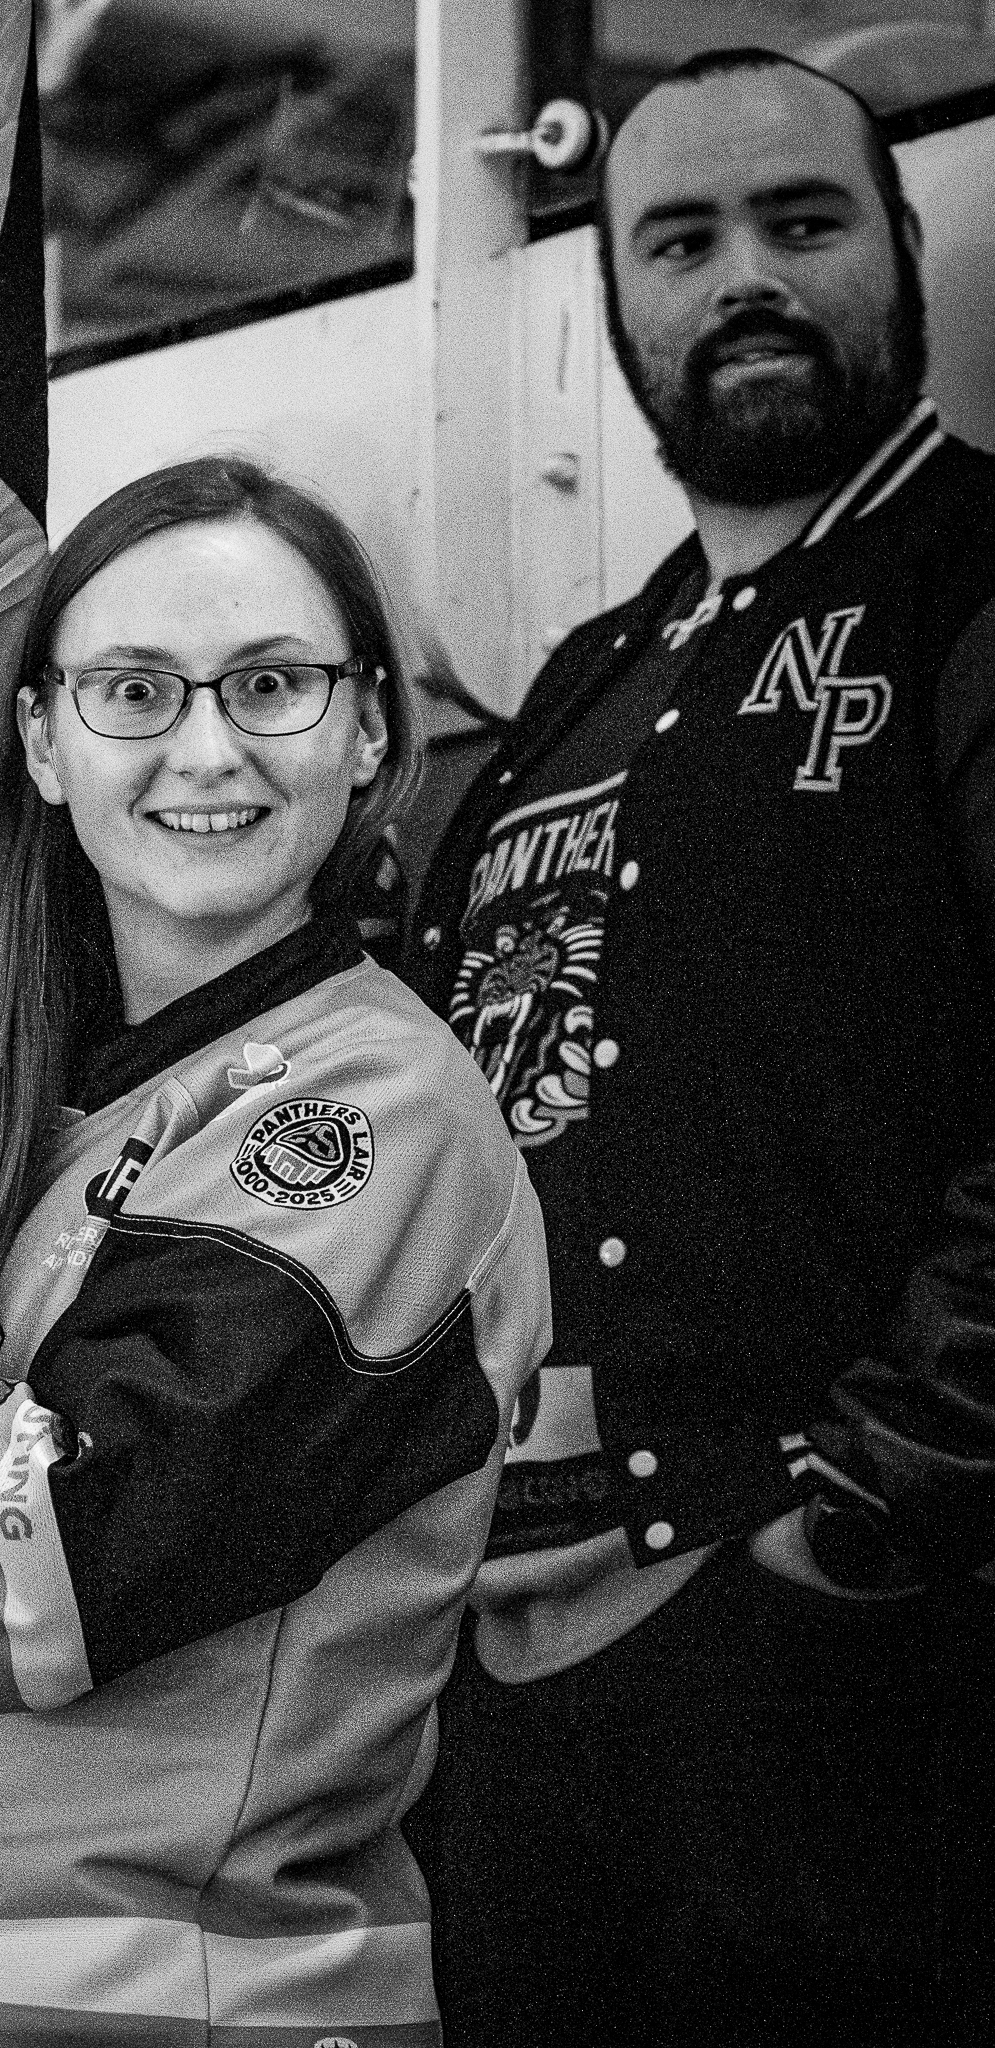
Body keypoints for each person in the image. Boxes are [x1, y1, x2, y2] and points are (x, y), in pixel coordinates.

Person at [0, 456, 552, 2042]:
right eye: (135, 691)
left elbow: (48, 1572)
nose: (206, 749)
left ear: (368, 729)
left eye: (271, 684)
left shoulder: (371, 1106)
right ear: (42, 743)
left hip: (184, 2002)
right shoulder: (26, 1094)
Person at [404, 49, 995, 2048]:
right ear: (615, 301)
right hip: (507, 1678)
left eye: (801, 223)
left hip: (835, 1665)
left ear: (898, 248)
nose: (746, 276)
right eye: (682, 240)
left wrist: (872, 1510)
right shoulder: (585, 680)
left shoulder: (971, 581)